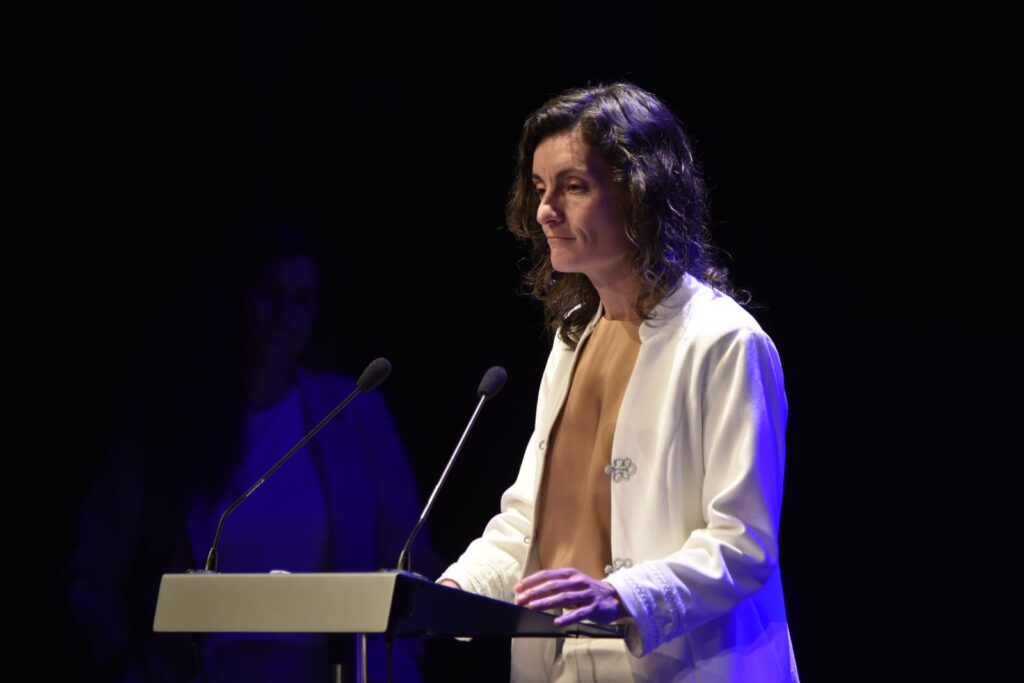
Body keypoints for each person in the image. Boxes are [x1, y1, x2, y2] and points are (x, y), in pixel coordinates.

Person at [438, 82, 799, 682]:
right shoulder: (572, 341)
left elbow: (742, 544)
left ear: (641, 194)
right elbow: (532, 523)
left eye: (573, 187)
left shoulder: (725, 342)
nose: (545, 210)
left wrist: (623, 596)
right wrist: (453, 590)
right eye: (539, 188)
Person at [68, 224, 437, 682]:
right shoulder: (167, 418)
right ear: (236, 300)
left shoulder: (352, 410)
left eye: (302, 299)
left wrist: (399, 662)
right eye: (269, 293)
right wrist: (125, 663)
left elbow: (412, 559)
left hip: (338, 670)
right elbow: (94, 571)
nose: (284, 314)